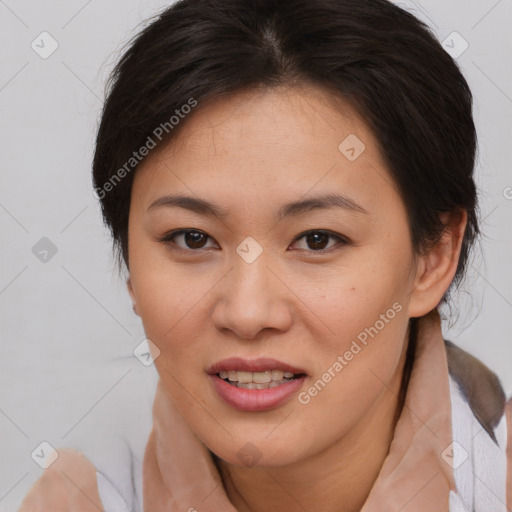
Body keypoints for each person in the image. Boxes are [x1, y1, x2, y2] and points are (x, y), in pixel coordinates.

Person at [18, 0, 512, 510]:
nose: (248, 313)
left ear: (432, 257)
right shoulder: (79, 496)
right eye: (191, 238)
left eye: (317, 239)